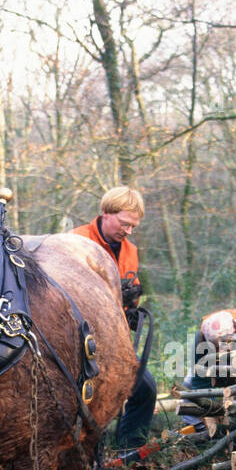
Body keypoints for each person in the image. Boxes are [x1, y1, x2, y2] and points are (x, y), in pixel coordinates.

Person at [69, 187, 155, 450]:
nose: (128, 231)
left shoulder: (130, 250)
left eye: (133, 226)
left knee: (146, 389)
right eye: (124, 223)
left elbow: (133, 287)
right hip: (78, 341)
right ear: (105, 213)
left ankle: (128, 450)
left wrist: (131, 304)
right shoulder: (75, 241)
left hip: (115, 341)